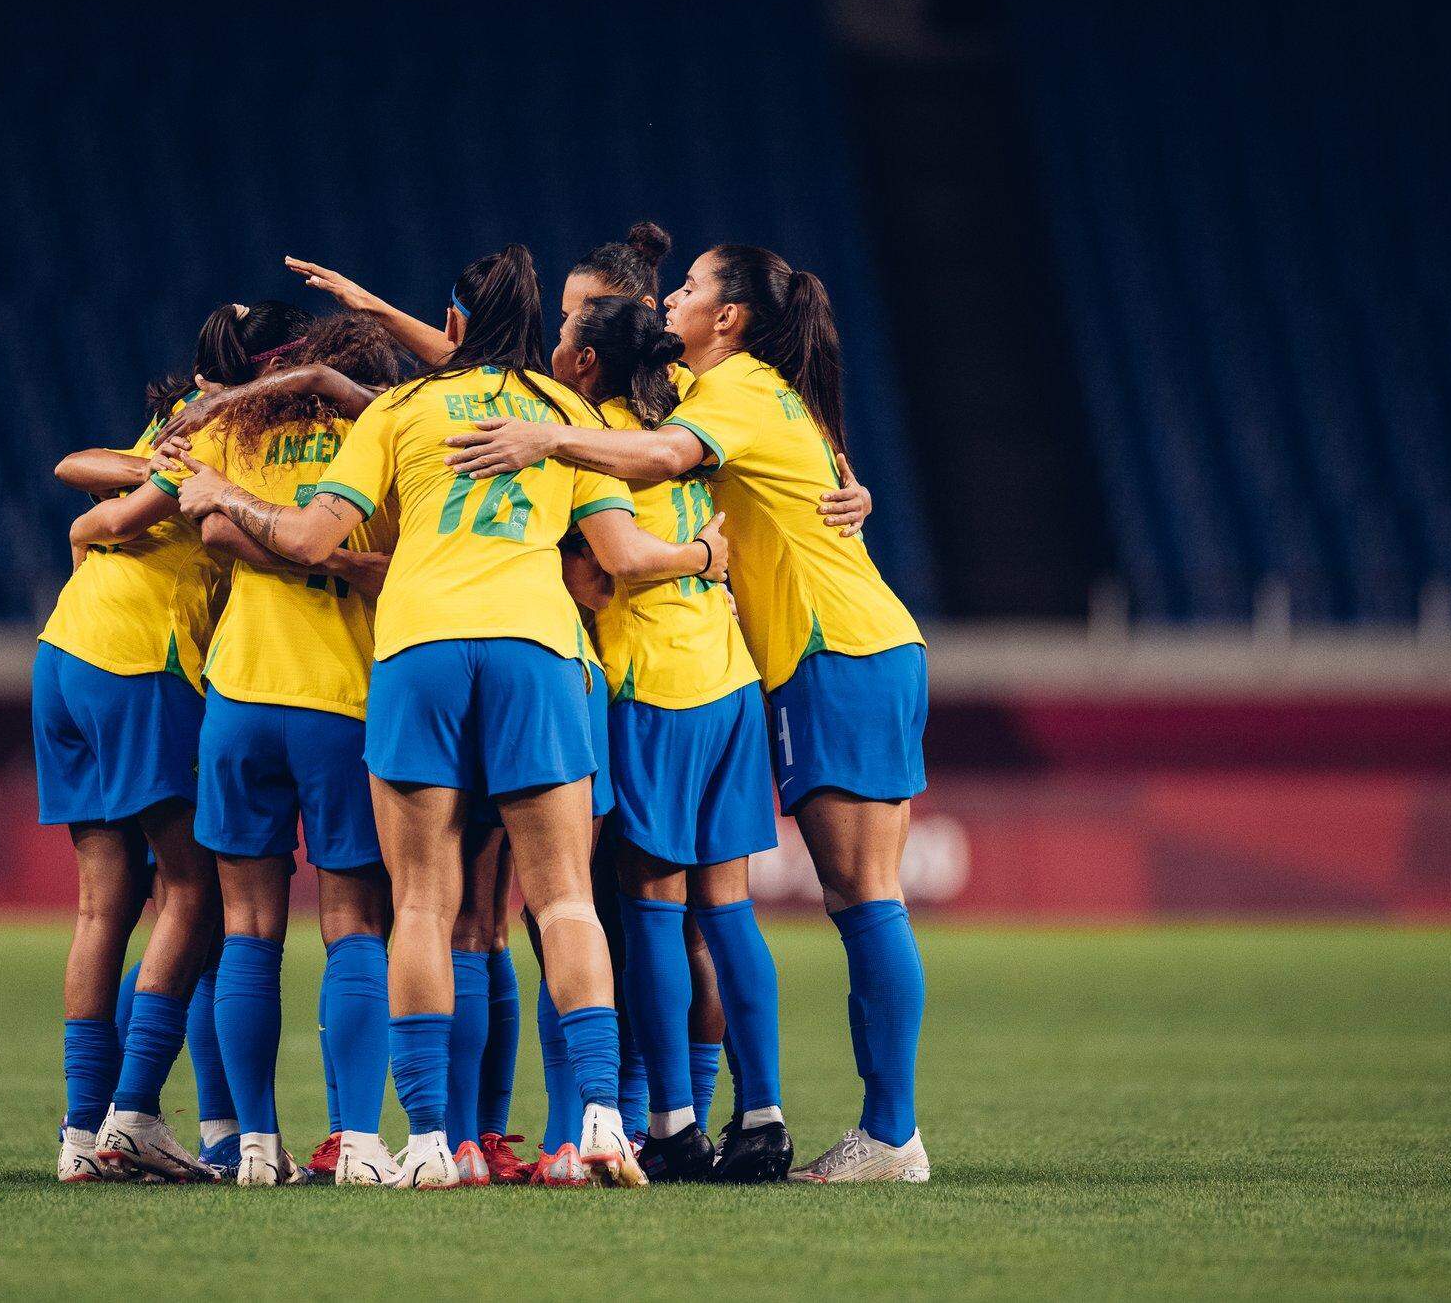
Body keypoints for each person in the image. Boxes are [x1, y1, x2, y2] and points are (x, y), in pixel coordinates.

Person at [168, 245, 727, 1189]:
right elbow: (612, 556)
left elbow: (309, 537)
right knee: (563, 900)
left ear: (455, 325)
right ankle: (596, 1118)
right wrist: (706, 553)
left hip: (421, 647)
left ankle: (430, 1140)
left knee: (422, 901)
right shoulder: (567, 414)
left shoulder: (400, 409)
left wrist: (222, 490)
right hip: (536, 648)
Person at [441, 244, 933, 1184]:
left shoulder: (720, 400)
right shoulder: (733, 393)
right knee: (771, 905)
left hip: (817, 652)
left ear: (731, 317)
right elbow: (805, 475)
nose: (674, 297)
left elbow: (651, 475)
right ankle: (780, 1116)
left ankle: (876, 1131)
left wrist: (546, 439)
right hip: (778, 665)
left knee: (855, 899)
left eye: (695, 287)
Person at [77, 315, 406, 1187]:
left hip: (239, 696)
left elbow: (210, 526)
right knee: (352, 925)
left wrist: (253, 522)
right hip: (340, 700)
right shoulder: (384, 434)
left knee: (251, 931)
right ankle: (361, 1144)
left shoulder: (238, 431)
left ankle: (255, 1144)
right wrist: (328, 559)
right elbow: (397, 561)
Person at [41, 300, 309, 1183]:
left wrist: (89, 519)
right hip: (140, 657)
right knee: (195, 893)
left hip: (64, 652)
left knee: (102, 905)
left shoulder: (175, 422)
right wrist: (101, 519)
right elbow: (124, 510)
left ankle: (83, 1134)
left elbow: (80, 471)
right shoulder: (231, 431)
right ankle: (135, 1113)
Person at [546, 293, 792, 1182]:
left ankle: (676, 1123)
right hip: (731, 680)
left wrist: (679, 556)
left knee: (652, 906)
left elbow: (615, 559)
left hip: (656, 688)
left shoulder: (595, 435)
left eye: (570, 337)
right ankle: (761, 1116)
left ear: (589, 363)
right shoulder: (690, 400)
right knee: (727, 911)